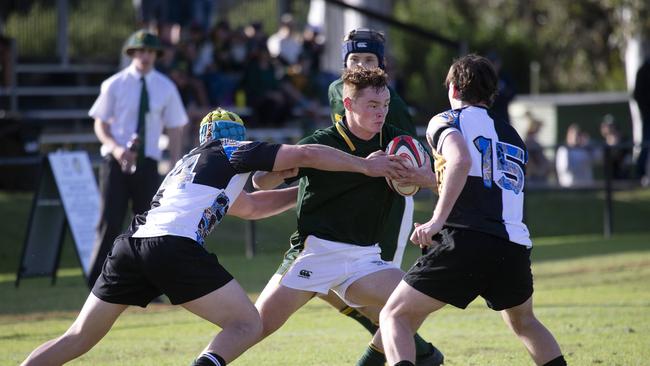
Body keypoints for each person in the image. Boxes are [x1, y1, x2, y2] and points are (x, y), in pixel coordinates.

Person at [20, 107, 404, 366]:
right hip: (173, 247)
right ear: (238, 137)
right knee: (247, 325)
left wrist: (304, 194)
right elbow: (305, 153)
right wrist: (363, 168)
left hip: (130, 247)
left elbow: (251, 208)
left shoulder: (189, 166)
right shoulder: (233, 150)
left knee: (78, 337)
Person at [379, 54, 566, 366]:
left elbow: (462, 161)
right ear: (491, 94)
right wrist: (430, 178)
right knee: (525, 323)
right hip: (513, 245)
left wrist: (436, 221)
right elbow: (483, 182)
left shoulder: (446, 120)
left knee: (394, 315)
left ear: (453, 89)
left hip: (466, 240)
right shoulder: (510, 133)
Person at [250, 67, 443, 366]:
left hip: (364, 258)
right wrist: (278, 173)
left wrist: (424, 177)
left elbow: (441, 179)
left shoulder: (396, 142)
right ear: (349, 105)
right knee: (253, 327)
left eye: (386, 105)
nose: (381, 113)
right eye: (373, 105)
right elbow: (260, 181)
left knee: (413, 303)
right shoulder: (321, 142)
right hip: (314, 254)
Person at [324, 28, 433, 362]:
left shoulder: (393, 104)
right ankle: (422, 351)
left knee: (393, 296)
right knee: (328, 285)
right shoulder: (335, 90)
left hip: (388, 204)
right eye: (353, 58)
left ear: (382, 65)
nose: (359, 64)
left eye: (368, 59)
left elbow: (413, 159)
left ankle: (411, 353)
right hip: (352, 199)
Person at [87, 29, 189, 288]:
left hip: (147, 161)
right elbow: (100, 123)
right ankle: (97, 280)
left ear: (156, 55)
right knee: (110, 220)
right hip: (116, 160)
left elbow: (176, 127)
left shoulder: (165, 86)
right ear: (132, 53)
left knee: (148, 224)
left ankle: (146, 282)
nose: (145, 56)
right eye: (141, 51)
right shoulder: (115, 84)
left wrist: (176, 165)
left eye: (150, 52)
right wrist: (115, 148)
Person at [556, 123, 595, 188]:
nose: (576, 137)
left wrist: (588, 145)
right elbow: (564, 168)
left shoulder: (585, 149)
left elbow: (597, 159)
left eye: (578, 135)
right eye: (574, 134)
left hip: (586, 186)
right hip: (569, 186)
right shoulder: (563, 150)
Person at [633, 56, 650, 183]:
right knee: (646, 143)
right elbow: (638, 94)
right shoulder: (645, 70)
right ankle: (640, 172)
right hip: (648, 115)